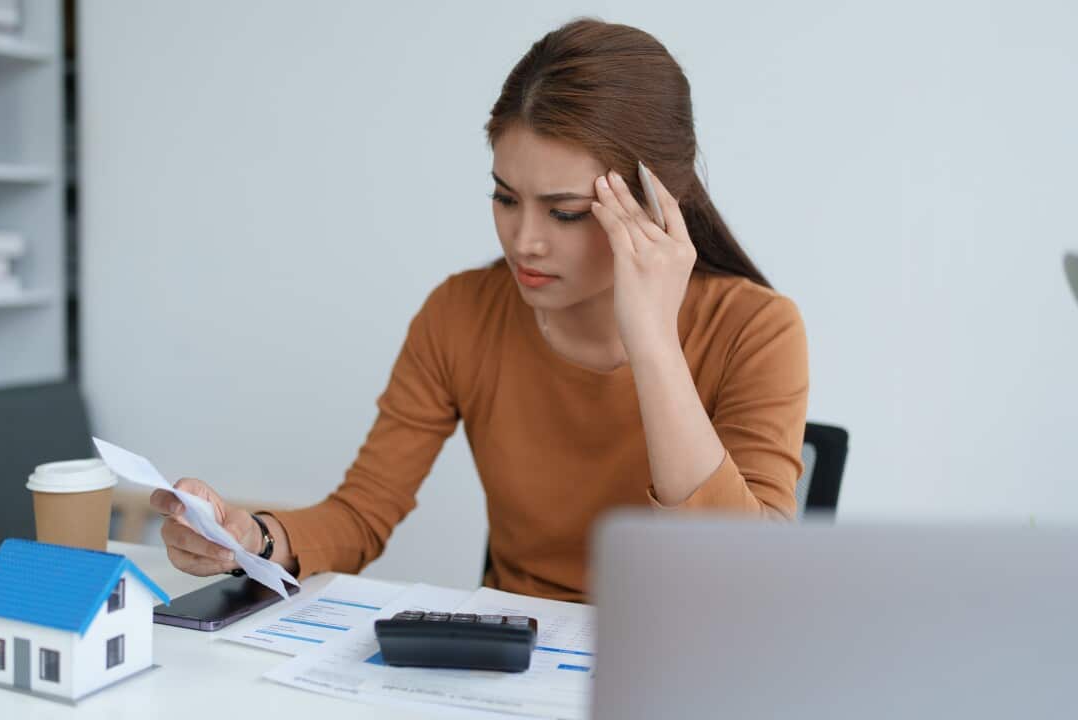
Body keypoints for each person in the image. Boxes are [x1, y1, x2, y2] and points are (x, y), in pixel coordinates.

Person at [150, 18, 809, 602]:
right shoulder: (461, 314)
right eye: (505, 198)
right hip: (514, 664)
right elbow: (363, 512)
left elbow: (743, 580)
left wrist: (654, 343)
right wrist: (251, 537)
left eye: (567, 212)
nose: (525, 240)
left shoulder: (756, 329)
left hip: (681, 667)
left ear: (659, 203)